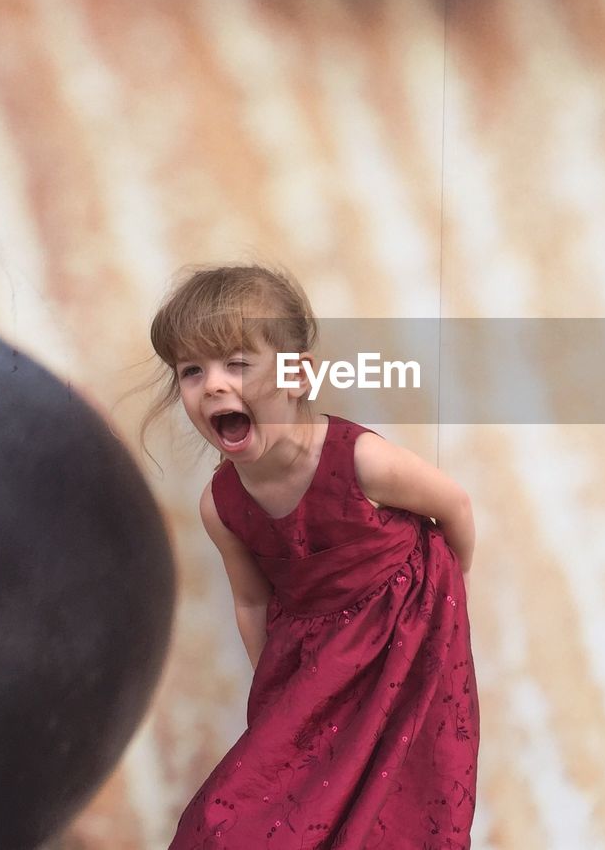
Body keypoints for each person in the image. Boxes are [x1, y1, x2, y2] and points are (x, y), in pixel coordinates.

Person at [141, 264, 479, 850]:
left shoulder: (361, 461)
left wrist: (445, 599)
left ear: (298, 376)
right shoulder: (221, 505)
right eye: (191, 371)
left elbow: (453, 507)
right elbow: (251, 600)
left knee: (388, 816)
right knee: (228, 825)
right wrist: (278, 695)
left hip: (403, 640)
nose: (214, 385)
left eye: (237, 364)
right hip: (317, 660)